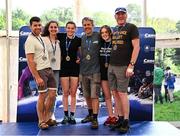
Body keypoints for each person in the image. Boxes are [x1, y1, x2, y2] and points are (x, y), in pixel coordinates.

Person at [108, 7, 140, 133]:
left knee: (122, 94)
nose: (120, 16)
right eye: (118, 14)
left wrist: (131, 65)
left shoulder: (131, 27)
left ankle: (126, 121)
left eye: (122, 14)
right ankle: (120, 119)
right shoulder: (114, 29)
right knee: (115, 93)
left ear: (126, 15)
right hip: (111, 66)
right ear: (115, 16)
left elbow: (136, 47)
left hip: (123, 66)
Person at [24, 16, 57, 130]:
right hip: (40, 71)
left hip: (48, 69)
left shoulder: (40, 37)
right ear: (30, 27)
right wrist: (37, 77)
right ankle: (41, 121)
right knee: (43, 95)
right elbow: (30, 60)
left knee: (52, 95)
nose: (38, 27)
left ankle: (47, 118)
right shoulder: (29, 40)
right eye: (35, 25)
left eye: (39, 25)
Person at [57, 21, 81, 124]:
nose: (70, 30)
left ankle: (72, 116)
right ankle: (65, 116)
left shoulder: (78, 40)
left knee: (73, 93)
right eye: (68, 28)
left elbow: (81, 52)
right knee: (65, 92)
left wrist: (80, 58)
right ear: (66, 28)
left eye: (72, 28)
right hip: (64, 68)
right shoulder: (61, 37)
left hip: (75, 68)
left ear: (75, 29)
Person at [80, 17, 101, 129]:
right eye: (85, 25)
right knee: (87, 95)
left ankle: (95, 118)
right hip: (83, 71)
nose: (87, 26)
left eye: (89, 24)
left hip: (95, 71)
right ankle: (90, 114)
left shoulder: (98, 36)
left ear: (92, 25)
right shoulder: (82, 38)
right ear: (83, 26)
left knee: (95, 96)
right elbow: (81, 53)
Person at [41, 20, 61, 126]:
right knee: (45, 95)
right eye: (51, 27)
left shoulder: (59, 41)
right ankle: (43, 118)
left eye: (55, 27)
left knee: (54, 95)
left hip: (56, 70)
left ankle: (51, 116)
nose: (53, 29)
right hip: (45, 69)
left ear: (58, 29)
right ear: (48, 28)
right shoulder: (43, 39)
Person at [99, 25, 117, 126]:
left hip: (113, 73)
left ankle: (117, 116)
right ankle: (111, 116)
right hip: (103, 72)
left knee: (116, 96)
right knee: (107, 96)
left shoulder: (114, 43)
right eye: (102, 33)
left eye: (106, 32)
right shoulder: (100, 43)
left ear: (110, 33)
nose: (104, 34)